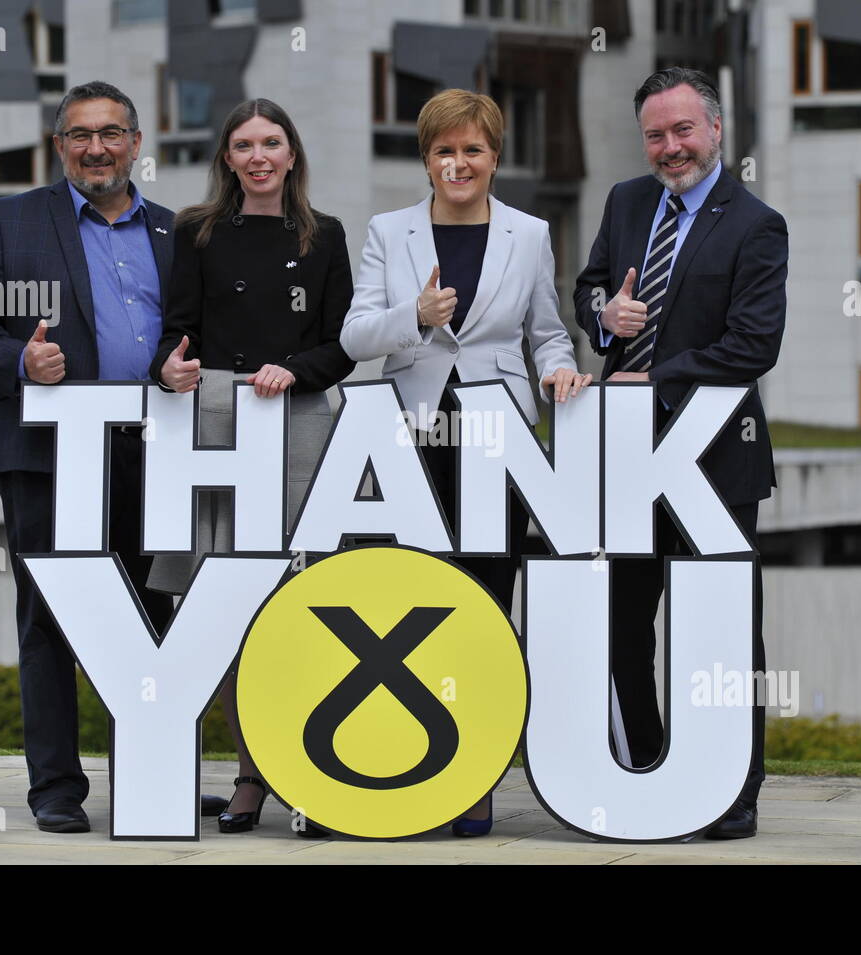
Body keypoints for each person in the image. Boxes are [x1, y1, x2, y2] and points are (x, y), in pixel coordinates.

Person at [340, 88, 590, 836]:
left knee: (487, 603)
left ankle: (475, 771)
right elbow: (355, 337)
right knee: (411, 607)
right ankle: (407, 761)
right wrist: (411, 318)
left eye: (472, 150)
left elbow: (547, 330)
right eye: (444, 151)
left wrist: (559, 369)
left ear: (494, 156)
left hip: (497, 440)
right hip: (410, 438)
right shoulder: (389, 230)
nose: (459, 163)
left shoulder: (530, 233)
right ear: (426, 159)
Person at [0, 81, 176, 833]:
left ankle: (150, 772)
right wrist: (21, 360)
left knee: (152, 615)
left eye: (112, 133)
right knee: (50, 618)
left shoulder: (177, 233)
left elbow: (196, 334)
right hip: (43, 453)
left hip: (151, 451)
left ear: (136, 144)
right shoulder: (11, 221)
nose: (97, 148)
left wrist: (183, 365)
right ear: (59, 146)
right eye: (80, 135)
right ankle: (55, 789)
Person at [573, 67, 787, 839]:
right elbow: (590, 286)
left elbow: (752, 344)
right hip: (626, 459)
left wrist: (650, 377)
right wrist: (607, 316)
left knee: (723, 633)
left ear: (716, 129)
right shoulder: (627, 201)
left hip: (713, 463)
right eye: (656, 135)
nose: (670, 147)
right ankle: (648, 768)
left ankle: (734, 786)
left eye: (683, 130)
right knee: (623, 622)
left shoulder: (757, 224)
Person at [149, 98, 355, 837]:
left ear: (292, 154)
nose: (260, 155)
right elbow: (177, 330)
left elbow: (343, 344)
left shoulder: (324, 235)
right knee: (226, 611)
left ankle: (312, 769)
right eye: (244, 144)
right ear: (228, 159)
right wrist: (168, 367)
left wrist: (294, 370)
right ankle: (249, 775)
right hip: (213, 423)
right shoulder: (196, 231)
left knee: (301, 606)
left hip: (299, 426)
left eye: (273, 142)